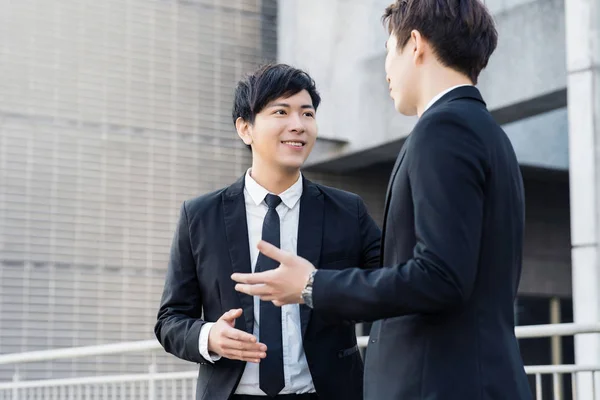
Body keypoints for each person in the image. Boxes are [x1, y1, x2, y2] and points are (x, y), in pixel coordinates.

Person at [232, 1, 532, 399]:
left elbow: (440, 277)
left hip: (440, 385)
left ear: (416, 45)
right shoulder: (489, 133)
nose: (387, 68)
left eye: (389, 49)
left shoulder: (442, 130)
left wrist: (311, 285)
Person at [154, 63, 381, 400]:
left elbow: (388, 288)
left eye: (307, 114)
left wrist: (315, 286)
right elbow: (170, 319)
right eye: (281, 111)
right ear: (245, 129)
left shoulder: (348, 211)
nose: (298, 125)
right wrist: (209, 337)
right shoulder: (200, 215)